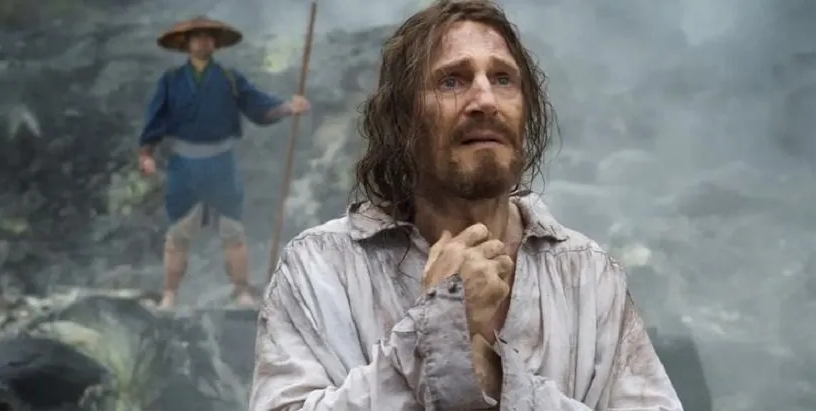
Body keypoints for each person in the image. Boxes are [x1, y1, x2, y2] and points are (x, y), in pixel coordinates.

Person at [249, 1, 682, 410]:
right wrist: (434, 330)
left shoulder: (586, 275)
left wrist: (497, 380)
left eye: (503, 79)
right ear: (402, 119)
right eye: (452, 81)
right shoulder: (320, 270)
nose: (485, 101)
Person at [138, 16, 311, 309]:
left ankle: (242, 291)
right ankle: (170, 294)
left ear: (215, 44)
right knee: (178, 233)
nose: (203, 42)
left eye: (208, 37)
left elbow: (258, 106)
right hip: (184, 164)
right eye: (197, 37)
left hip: (221, 162)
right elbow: (155, 118)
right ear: (186, 44)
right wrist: (146, 154)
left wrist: (287, 107)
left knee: (232, 230)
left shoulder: (230, 78)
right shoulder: (171, 80)